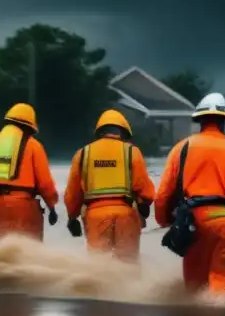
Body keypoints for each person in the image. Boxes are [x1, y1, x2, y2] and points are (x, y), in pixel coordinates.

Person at [154, 92, 225, 297]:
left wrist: (164, 220)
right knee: (224, 291)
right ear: (224, 121)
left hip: (192, 226)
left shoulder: (181, 149)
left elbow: (163, 195)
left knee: (194, 292)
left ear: (199, 120)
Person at [63, 109, 156, 261]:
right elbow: (143, 188)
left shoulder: (83, 154)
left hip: (95, 216)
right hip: (125, 215)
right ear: (123, 132)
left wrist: (72, 218)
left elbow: (73, 193)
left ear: (99, 132)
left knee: (99, 266)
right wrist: (143, 209)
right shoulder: (132, 151)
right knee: (128, 264)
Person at [0, 102, 59, 241]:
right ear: (30, 125)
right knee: (27, 247)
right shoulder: (33, 145)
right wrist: (51, 207)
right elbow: (45, 183)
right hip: (23, 205)